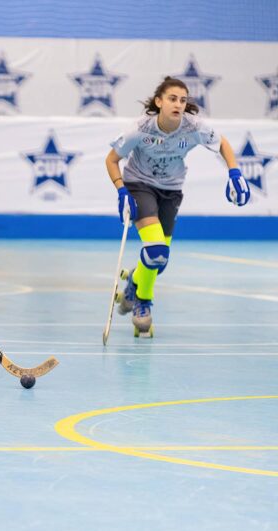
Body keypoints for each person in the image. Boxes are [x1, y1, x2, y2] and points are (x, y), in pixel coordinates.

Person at [106, 76, 250, 337]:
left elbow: (223, 143)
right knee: (156, 250)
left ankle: (134, 282)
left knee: (159, 261)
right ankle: (143, 303)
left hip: (171, 190)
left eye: (183, 100)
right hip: (140, 185)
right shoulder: (140, 129)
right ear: (159, 102)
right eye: (172, 99)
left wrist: (235, 173)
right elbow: (112, 159)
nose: (178, 104)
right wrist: (122, 190)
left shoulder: (193, 126)